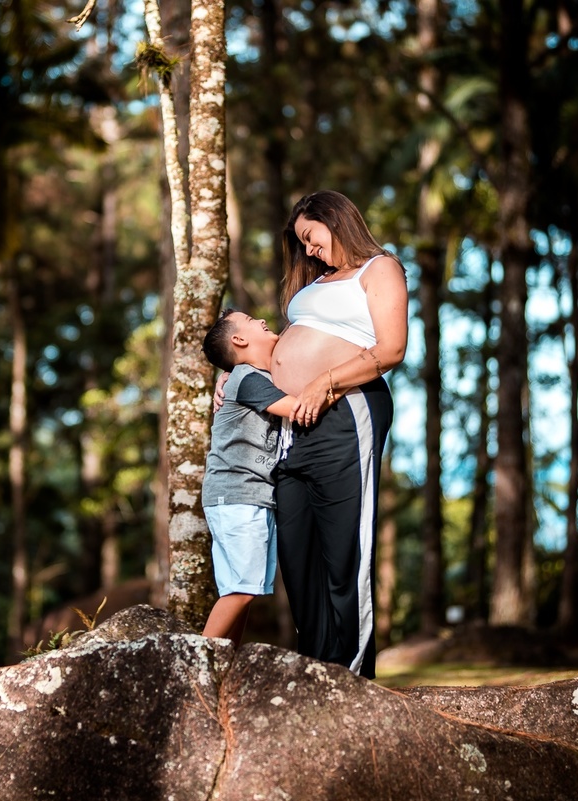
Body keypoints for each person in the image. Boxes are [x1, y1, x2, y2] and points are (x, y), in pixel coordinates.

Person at [215, 190, 408, 677]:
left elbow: (391, 349)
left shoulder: (379, 268)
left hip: (346, 411)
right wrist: (234, 373)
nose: (308, 250)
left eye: (310, 237)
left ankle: (355, 676)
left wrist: (325, 381)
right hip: (292, 430)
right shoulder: (318, 284)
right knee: (298, 555)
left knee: (346, 548)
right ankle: (318, 673)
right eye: (301, 243)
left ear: (334, 219)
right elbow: (276, 347)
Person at [199, 309, 300, 647]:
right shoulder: (247, 378)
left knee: (243, 590)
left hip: (241, 496)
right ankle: (198, 664)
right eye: (252, 320)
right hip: (237, 495)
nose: (262, 320)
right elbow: (296, 410)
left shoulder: (247, 376)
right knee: (242, 589)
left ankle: (225, 662)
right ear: (239, 340)